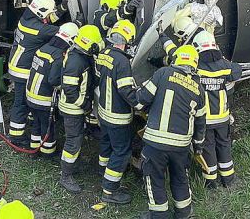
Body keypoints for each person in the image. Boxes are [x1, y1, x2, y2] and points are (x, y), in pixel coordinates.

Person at [137, 45, 206, 219]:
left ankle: (159, 215)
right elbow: (200, 122)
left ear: (176, 59)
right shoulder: (199, 89)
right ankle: (183, 212)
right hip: (181, 146)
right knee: (180, 177)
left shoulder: (163, 73)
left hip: (155, 144)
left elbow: (143, 98)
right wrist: (198, 146)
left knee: (155, 179)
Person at [95, 20, 143, 205]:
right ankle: (110, 190)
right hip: (118, 116)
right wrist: (139, 103)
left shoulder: (104, 53)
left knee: (106, 144)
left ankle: (103, 171)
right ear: (128, 39)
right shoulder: (122, 61)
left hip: (103, 112)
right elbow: (125, 91)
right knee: (122, 152)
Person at [6, 0, 60, 146]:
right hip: (22, 71)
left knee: (24, 101)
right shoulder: (38, 29)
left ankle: (28, 125)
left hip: (17, 66)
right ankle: (16, 137)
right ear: (41, 12)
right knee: (21, 103)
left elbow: (47, 22)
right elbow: (56, 31)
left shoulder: (26, 18)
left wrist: (61, 10)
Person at [191, 27, 242, 188]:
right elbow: (237, 71)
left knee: (208, 147)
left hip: (204, 119)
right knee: (224, 145)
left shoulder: (196, 67)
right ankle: (228, 179)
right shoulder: (224, 65)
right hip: (222, 118)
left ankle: (211, 181)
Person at [55, 25, 103, 194]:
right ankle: (66, 175)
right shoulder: (76, 60)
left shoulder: (81, 55)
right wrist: (84, 104)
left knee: (77, 138)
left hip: (75, 108)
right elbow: (69, 89)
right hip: (72, 109)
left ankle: (72, 165)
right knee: (73, 141)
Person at [25, 22, 78, 156]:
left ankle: (34, 149)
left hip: (30, 95)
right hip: (43, 99)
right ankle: (48, 152)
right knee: (48, 126)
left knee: (36, 123)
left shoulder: (43, 48)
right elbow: (53, 80)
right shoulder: (59, 56)